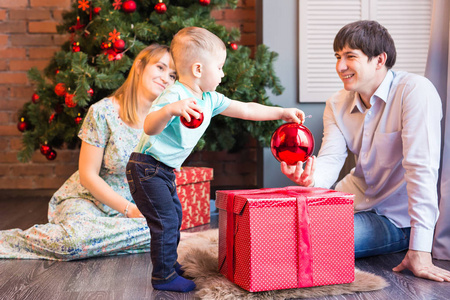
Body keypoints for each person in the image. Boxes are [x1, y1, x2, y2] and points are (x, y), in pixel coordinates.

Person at [126, 26, 306, 293]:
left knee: (174, 216)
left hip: (162, 171)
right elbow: (149, 126)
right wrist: (170, 110)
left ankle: (169, 264)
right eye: (220, 67)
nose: (223, 73)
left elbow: (246, 109)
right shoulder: (175, 95)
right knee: (165, 221)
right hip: (146, 167)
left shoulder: (210, 99)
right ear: (198, 70)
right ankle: (163, 276)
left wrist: (281, 112)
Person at [281, 20, 450, 282]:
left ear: (379, 60)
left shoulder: (415, 91)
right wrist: (310, 179)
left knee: (308, 240)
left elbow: (422, 170)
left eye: (350, 57)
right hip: (349, 199)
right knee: (280, 228)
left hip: (395, 219)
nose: (340, 66)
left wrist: (420, 249)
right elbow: (331, 160)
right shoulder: (336, 103)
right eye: (338, 57)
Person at [0, 44, 176, 260]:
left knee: (167, 230)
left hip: (135, 211)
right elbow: (88, 176)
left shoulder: (167, 121)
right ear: (139, 66)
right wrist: (129, 209)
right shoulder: (103, 112)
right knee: (72, 241)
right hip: (88, 200)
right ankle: (8, 242)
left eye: (173, 75)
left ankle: (100, 240)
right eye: (160, 68)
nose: (166, 78)